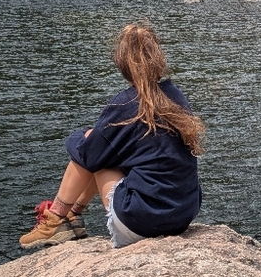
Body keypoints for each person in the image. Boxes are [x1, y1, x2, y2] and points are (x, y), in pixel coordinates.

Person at [19, 22, 205, 250]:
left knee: (94, 150)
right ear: (159, 58)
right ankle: (73, 216)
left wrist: (78, 138)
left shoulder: (124, 104)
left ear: (121, 62)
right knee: (103, 146)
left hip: (143, 222)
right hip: (183, 214)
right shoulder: (175, 95)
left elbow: (90, 155)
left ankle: (56, 218)